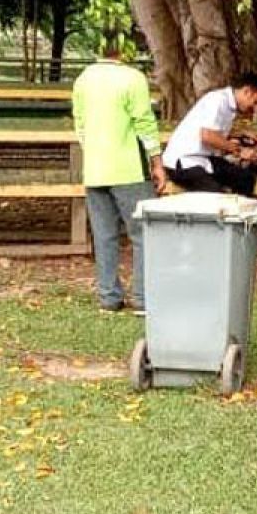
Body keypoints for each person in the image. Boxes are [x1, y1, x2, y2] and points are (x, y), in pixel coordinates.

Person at [72, 38, 167, 313]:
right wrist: (157, 163)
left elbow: (80, 124)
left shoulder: (83, 79)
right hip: (128, 168)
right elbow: (144, 123)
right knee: (143, 233)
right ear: (125, 48)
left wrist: (93, 151)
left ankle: (109, 296)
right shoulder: (133, 78)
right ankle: (143, 297)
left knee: (103, 235)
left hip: (95, 168)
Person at [161, 72, 257, 196]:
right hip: (183, 162)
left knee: (245, 179)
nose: (254, 108)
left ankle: (239, 211)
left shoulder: (230, 106)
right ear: (247, 92)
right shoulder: (217, 101)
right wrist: (240, 151)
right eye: (255, 102)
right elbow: (207, 136)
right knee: (216, 196)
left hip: (203, 159)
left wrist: (242, 135)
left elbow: (217, 130)